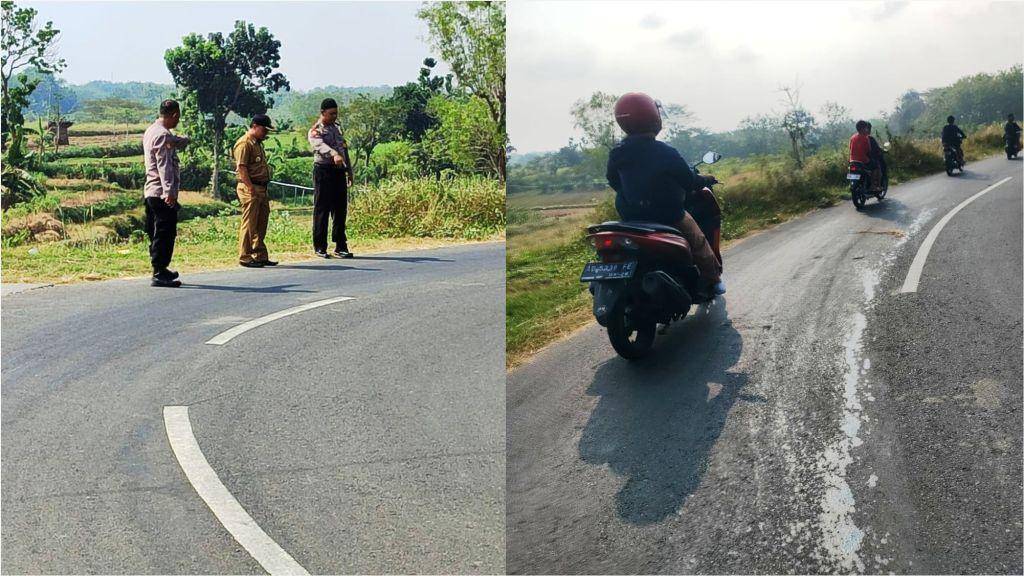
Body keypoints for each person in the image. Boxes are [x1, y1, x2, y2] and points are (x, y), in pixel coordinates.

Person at [605, 92, 724, 295]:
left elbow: (612, 179)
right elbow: (689, 181)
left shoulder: (618, 152)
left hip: (631, 217)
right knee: (698, 241)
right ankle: (713, 280)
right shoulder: (665, 152)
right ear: (653, 117)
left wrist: (632, 195)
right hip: (668, 214)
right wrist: (706, 179)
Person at [142, 99, 190, 287]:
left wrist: (184, 140)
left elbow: (172, 141)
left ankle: (161, 268)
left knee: (156, 232)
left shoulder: (152, 130)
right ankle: (159, 271)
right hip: (161, 192)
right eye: (178, 118)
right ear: (175, 115)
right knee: (165, 233)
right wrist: (169, 191)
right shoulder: (162, 135)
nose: (178, 121)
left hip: (151, 191)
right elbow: (164, 166)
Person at [308, 98, 354, 258]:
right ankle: (320, 246)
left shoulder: (337, 128)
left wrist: (349, 171)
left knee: (340, 209)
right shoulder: (316, 130)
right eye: (331, 113)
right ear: (323, 113)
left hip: (339, 172)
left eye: (336, 113)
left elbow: (344, 150)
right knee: (322, 209)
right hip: (324, 171)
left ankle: (341, 246)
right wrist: (333, 154)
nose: (335, 116)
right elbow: (319, 146)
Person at [232, 114, 277, 268]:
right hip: (250, 188)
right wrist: (250, 187)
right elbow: (241, 168)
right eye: (264, 130)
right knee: (250, 223)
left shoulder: (257, 143)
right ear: (255, 126)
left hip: (261, 188)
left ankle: (259, 255)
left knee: (261, 222)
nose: (266, 133)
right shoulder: (245, 143)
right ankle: (245, 256)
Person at [849, 120, 881, 192]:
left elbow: (850, 148)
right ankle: (873, 186)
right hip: (863, 161)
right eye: (866, 128)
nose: (867, 130)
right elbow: (868, 151)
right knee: (876, 167)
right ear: (863, 129)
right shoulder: (865, 138)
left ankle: (852, 184)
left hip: (852, 160)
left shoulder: (852, 137)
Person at [866, 122, 887, 190]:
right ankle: (877, 185)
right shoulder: (869, 138)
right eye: (869, 128)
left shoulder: (855, 137)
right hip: (867, 159)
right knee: (877, 167)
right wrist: (882, 151)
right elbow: (876, 148)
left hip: (855, 160)